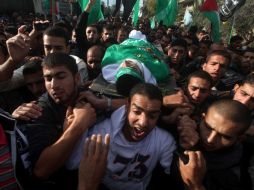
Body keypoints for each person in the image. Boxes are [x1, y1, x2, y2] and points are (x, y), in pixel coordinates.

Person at [67, 83, 176, 190]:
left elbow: (173, 176)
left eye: (152, 116)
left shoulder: (164, 141)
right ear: (128, 105)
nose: (143, 123)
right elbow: (73, 163)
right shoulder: (102, 133)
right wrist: (77, 128)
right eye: (137, 112)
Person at [18, 52, 96, 189]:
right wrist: (78, 125)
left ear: (77, 78)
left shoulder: (91, 95)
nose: (54, 85)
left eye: (61, 76)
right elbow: (41, 171)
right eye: (48, 78)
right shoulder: (39, 111)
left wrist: (106, 103)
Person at [177, 99, 252, 189]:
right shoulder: (184, 128)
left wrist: (195, 185)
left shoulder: (234, 177)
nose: (210, 140)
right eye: (208, 127)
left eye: (225, 137)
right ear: (202, 119)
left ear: (239, 139)